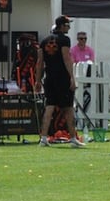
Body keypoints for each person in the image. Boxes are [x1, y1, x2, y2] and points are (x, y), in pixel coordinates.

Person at [35, 16, 83, 148]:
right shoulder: (64, 40)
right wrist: (72, 78)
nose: (69, 27)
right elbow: (66, 58)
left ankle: (43, 138)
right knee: (68, 109)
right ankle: (73, 138)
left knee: (49, 108)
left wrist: (38, 80)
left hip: (49, 78)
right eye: (67, 25)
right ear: (62, 26)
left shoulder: (44, 41)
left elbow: (40, 63)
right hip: (62, 78)